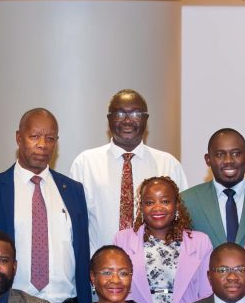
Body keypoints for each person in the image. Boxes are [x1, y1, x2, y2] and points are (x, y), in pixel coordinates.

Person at [0, 108, 90, 303]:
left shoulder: (73, 191)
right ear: (18, 138)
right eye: (34, 136)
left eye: (50, 138)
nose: (42, 144)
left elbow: (82, 255)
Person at [70, 89, 188, 252]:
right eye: (119, 114)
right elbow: (75, 223)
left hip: (156, 269)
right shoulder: (85, 163)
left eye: (136, 114)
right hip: (102, 270)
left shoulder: (168, 163)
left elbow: (181, 220)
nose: (127, 121)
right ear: (109, 119)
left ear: (146, 119)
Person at [113, 176, 213, 303]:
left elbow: (207, 295)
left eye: (165, 201)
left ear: (176, 205)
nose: (157, 207)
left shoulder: (200, 242)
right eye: (149, 202)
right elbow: (119, 291)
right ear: (141, 207)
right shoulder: (122, 240)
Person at [181, 128, 245, 247]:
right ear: (208, 160)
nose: (228, 160)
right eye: (220, 154)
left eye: (236, 153)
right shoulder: (187, 200)